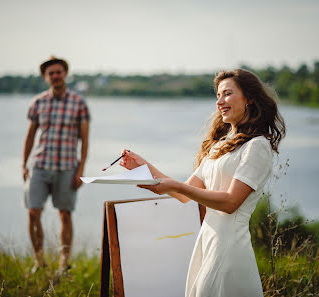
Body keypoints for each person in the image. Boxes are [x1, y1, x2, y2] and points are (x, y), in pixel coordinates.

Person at [119, 69, 285, 297]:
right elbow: (185, 194)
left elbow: (230, 203)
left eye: (227, 94)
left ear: (249, 98)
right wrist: (143, 166)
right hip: (207, 242)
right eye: (218, 95)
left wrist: (176, 186)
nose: (220, 102)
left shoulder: (257, 146)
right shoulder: (220, 146)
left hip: (229, 247)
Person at [22, 56, 90, 273]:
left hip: (67, 167)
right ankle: (39, 261)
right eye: (51, 73)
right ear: (45, 77)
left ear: (65, 74)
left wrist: (81, 170)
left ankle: (64, 263)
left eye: (58, 72)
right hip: (40, 166)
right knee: (33, 212)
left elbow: (85, 140)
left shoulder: (78, 103)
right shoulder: (38, 103)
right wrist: (24, 164)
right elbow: (30, 136)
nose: (55, 76)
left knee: (65, 214)